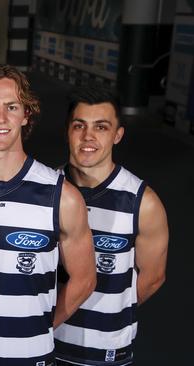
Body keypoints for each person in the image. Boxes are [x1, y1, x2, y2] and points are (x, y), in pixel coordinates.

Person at [0, 64, 97, 365]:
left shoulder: (61, 196)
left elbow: (85, 278)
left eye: (11, 107)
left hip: (31, 357)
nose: (0, 118)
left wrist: (39, 328)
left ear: (26, 114)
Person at [54, 86, 168, 365]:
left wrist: (111, 309)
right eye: (79, 125)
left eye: (101, 127)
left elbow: (152, 278)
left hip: (105, 351)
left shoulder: (143, 202)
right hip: (46, 342)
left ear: (117, 135)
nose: (88, 137)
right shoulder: (46, 190)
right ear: (68, 130)